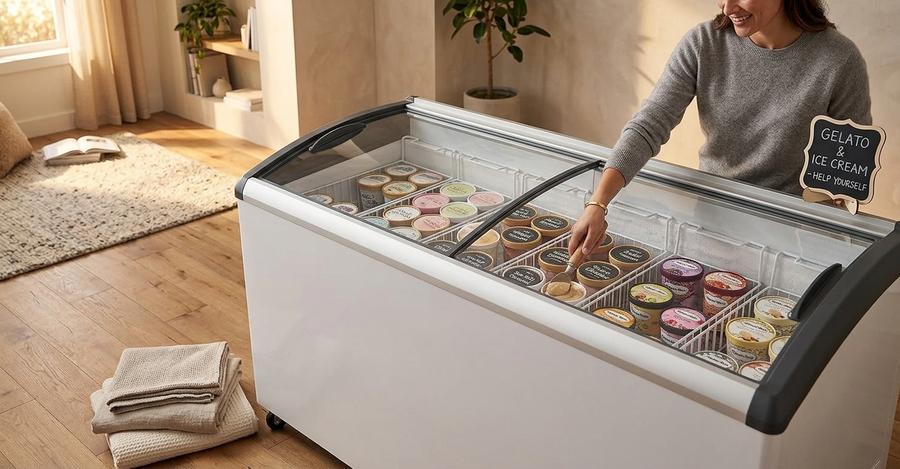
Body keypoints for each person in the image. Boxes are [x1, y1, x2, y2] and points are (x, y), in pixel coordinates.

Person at [569, 0, 871, 258]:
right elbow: (650, 123)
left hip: (789, 238)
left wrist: (825, 250)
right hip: (711, 223)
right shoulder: (704, 43)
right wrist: (598, 203)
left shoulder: (839, 59)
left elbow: (845, 176)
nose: (728, 7)